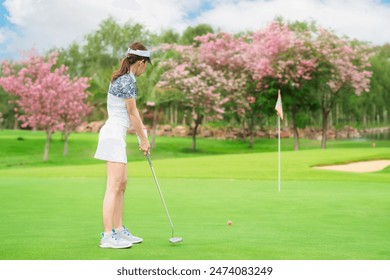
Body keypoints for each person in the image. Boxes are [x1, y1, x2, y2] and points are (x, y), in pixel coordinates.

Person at [94, 42, 151, 249]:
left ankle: (118, 230)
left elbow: (132, 116)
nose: (146, 69)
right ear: (142, 62)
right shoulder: (127, 81)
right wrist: (143, 139)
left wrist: (141, 136)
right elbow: (132, 113)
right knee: (113, 186)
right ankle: (107, 236)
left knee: (122, 184)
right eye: (146, 65)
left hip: (116, 135)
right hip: (113, 136)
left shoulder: (125, 78)